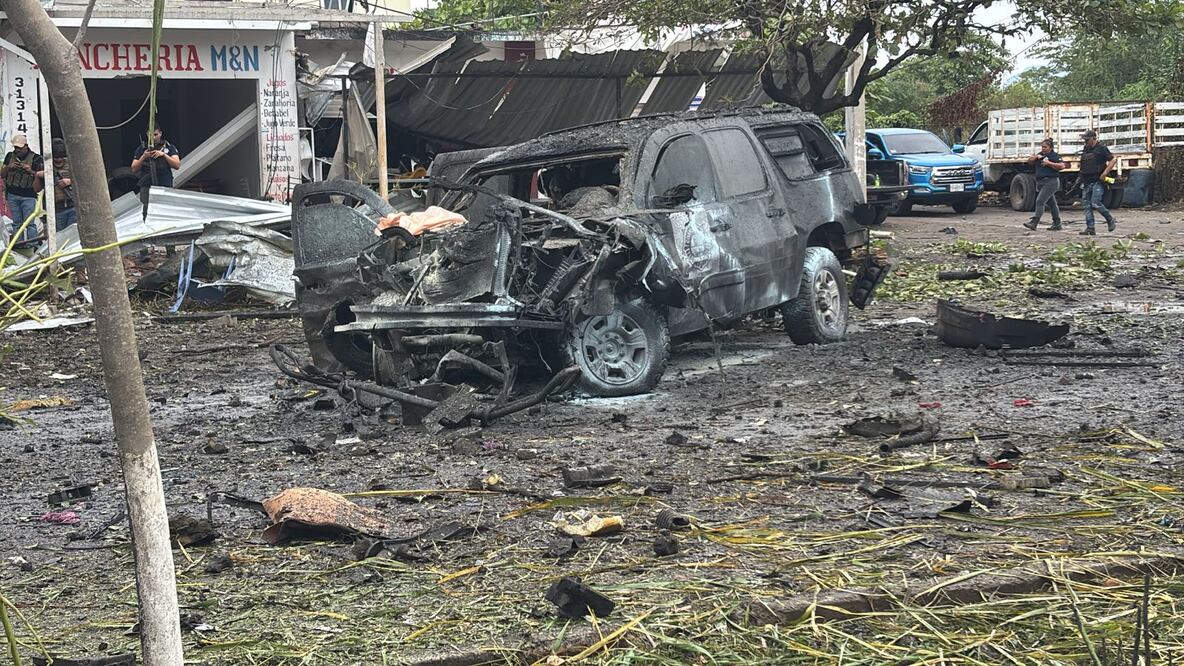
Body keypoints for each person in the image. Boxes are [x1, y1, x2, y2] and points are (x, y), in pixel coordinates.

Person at [2, 134, 45, 243]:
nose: (18, 150)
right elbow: (2, 174)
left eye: (20, 147)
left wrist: (30, 171)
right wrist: (9, 167)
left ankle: (33, 245)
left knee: (30, 223)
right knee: (16, 223)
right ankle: (19, 245)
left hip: (28, 195)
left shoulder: (36, 158)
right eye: (16, 147)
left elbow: (42, 176)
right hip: (12, 194)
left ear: (26, 146)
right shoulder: (9, 156)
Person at [130, 126, 181, 218]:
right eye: (150, 135)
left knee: (166, 212)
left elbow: (177, 165)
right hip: (147, 186)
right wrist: (144, 156)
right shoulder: (142, 148)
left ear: (160, 133)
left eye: (155, 134)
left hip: (164, 185)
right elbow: (134, 168)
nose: (153, 137)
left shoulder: (168, 147)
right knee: (146, 212)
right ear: (147, 134)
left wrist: (163, 155)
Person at [1078, 129, 1117, 236]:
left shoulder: (1101, 148)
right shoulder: (1086, 148)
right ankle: (1090, 228)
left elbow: (1112, 160)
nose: (1086, 142)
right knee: (1086, 205)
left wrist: (1104, 173)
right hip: (1087, 181)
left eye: (1087, 140)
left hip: (1097, 181)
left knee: (1096, 203)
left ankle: (1110, 219)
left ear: (1094, 138)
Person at [1022, 138, 1067, 231]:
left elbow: (1062, 166)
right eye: (1042, 147)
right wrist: (1035, 157)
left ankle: (1035, 222)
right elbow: (1029, 161)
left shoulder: (1054, 156)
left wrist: (1049, 163)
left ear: (1050, 148)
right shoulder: (1040, 155)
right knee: (1052, 204)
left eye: (1045, 147)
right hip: (1041, 182)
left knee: (1040, 201)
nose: (1043, 149)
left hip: (1051, 182)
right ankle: (1057, 223)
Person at [51, 138, 77, 232]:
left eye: (61, 157)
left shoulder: (71, 164)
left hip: (73, 206)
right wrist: (38, 175)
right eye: (56, 157)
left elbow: (83, 181)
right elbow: (37, 189)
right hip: (57, 209)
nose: (59, 160)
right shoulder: (47, 166)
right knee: (59, 236)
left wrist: (70, 181)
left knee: (73, 234)